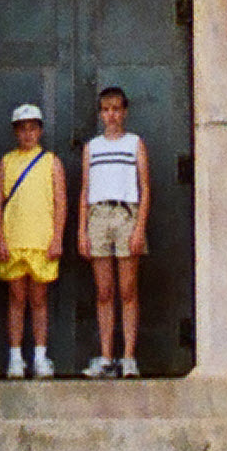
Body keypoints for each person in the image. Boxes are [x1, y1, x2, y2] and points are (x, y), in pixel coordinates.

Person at [78, 84, 150, 378]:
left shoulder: (134, 144)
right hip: (98, 215)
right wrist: (82, 231)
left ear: (125, 112)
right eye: (106, 110)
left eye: (116, 109)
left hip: (126, 214)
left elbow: (145, 188)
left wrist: (139, 228)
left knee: (128, 290)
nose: (111, 115)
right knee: (104, 291)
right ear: (100, 114)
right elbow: (85, 189)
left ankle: (128, 356)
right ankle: (107, 356)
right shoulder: (92, 147)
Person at [0, 103, 66, 379]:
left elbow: (60, 202)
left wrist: (57, 237)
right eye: (23, 129)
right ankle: (15, 357)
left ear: (40, 131)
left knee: (39, 299)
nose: (28, 134)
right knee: (16, 298)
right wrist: (0, 238)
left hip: (41, 240)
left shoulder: (51, 162)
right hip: (14, 238)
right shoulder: (7, 162)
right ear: (15, 132)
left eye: (33, 128)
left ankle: (41, 357)